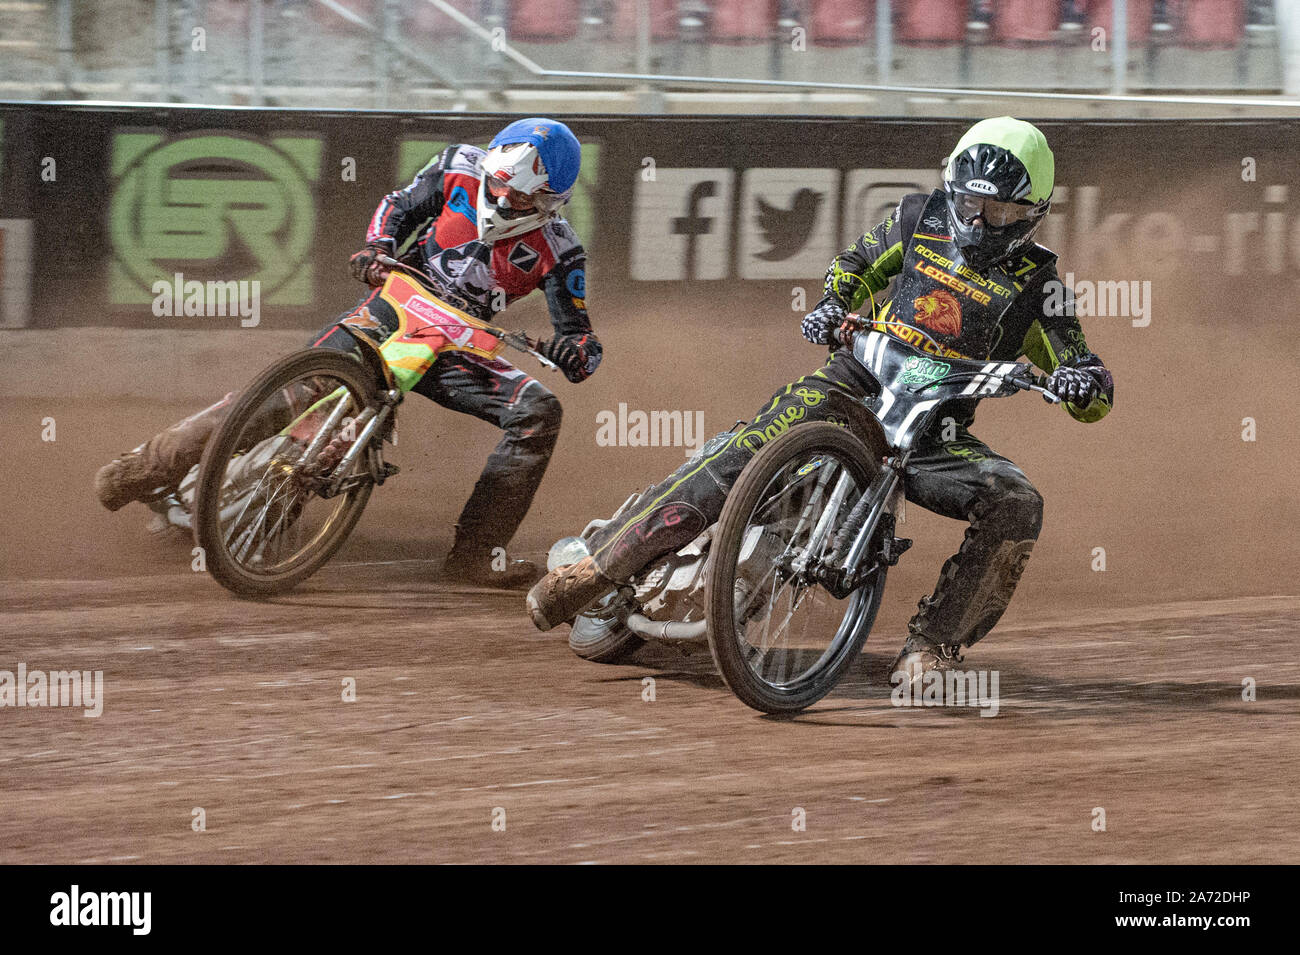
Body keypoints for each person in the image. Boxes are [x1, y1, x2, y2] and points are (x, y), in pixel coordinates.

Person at [527, 116, 1113, 681]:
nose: (980, 223)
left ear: (1031, 215)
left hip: (934, 434)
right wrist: (834, 302)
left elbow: (1089, 384)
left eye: (1000, 211)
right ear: (951, 189)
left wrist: (1082, 382)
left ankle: (933, 646)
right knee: (744, 451)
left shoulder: (1041, 287)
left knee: (1016, 502)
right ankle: (596, 570)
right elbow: (854, 265)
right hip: (852, 382)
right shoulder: (919, 217)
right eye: (969, 204)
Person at [94, 117, 601, 589]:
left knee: (539, 411)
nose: (505, 198)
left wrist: (576, 352)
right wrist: (378, 247)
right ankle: (147, 466)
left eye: (522, 197)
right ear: (490, 163)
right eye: (500, 183)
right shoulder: (457, 166)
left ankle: (476, 553)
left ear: (551, 202)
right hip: (393, 306)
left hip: (458, 346)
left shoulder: (561, 249)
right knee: (291, 395)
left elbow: (582, 338)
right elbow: (399, 206)